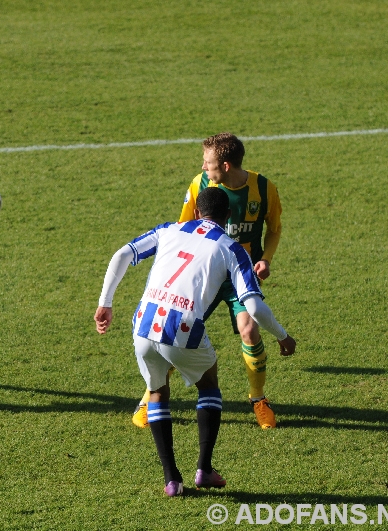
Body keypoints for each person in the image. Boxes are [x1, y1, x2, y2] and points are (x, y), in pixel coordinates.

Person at [94, 187, 295, 496]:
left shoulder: (168, 230)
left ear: (197, 213)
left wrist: (105, 302)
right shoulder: (232, 248)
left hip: (143, 323)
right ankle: (204, 468)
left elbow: (122, 254)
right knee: (209, 385)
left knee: (158, 393)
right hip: (183, 327)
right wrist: (283, 335)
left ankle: (172, 479)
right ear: (228, 217)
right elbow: (253, 306)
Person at [132, 133, 284, 430]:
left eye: (209, 163)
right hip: (204, 273)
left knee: (249, 330)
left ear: (225, 165)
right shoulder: (200, 186)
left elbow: (275, 228)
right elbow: (182, 229)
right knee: (176, 332)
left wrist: (266, 257)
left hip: (238, 275)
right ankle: (149, 398)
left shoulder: (264, 189)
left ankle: (258, 399)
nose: (203, 168)